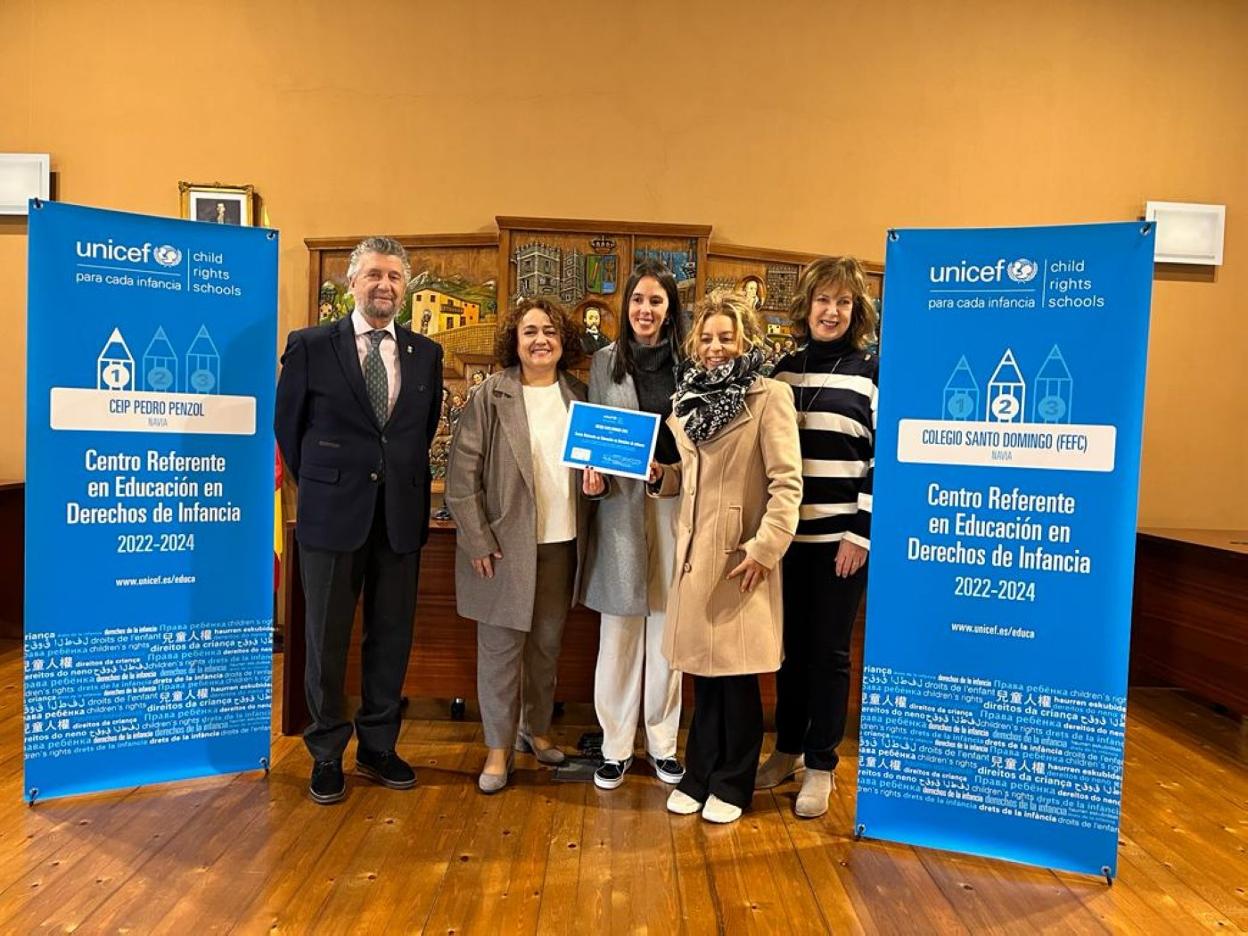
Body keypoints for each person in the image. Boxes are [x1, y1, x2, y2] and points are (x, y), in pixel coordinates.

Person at [275, 235, 443, 805]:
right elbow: (289, 430)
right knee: (326, 639)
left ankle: (377, 746)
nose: (384, 286)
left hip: (398, 517)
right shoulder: (311, 346)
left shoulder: (426, 355)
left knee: (390, 636)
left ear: (406, 287)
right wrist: (328, 482)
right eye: (373, 274)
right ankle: (326, 753)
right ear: (351, 282)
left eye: (395, 277)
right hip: (331, 516)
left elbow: (415, 435)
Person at [648, 290, 802, 823]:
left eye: (726, 337)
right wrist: (659, 478)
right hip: (694, 557)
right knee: (703, 676)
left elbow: (787, 486)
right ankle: (699, 772)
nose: (715, 347)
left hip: (740, 558)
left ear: (745, 340)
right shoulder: (685, 401)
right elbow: (689, 482)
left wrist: (765, 549)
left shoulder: (769, 397)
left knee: (736, 679)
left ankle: (734, 784)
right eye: (707, 337)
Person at [445, 297, 606, 794]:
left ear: (564, 341)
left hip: (560, 545)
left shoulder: (580, 396)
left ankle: (534, 733)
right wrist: (477, 539)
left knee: (545, 649)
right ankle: (497, 751)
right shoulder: (491, 396)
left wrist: (594, 485)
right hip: (501, 548)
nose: (541, 340)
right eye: (530, 331)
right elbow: (460, 477)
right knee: (499, 650)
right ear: (514, 341)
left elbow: (591, 470)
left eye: (550, 332)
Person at [758, 256, 879, 818]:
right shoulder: (782, 371)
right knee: (788, 653)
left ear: (855, 312)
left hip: (841, 545)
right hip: (786, 540)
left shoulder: (872, 373)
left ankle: (821, 764)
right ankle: (785, 749)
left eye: (843, 302)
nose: (831, 311)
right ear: (805, 307)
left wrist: (860, 532)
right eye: (822, 301)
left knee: (829, 654)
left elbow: (883, 462)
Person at [581, 260, 687, 790]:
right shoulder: (604, 363)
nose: (645, 310)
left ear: (670, 311)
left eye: (656, 302)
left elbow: (704, 444)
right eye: (638, 300)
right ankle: (616, 745)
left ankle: (663, 744)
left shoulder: (690, 365)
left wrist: (668, 474)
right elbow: (594, 436)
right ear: (626, 307)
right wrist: (592, 474)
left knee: (668, 628)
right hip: (620, 508)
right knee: (619, 629)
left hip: (674, 503)